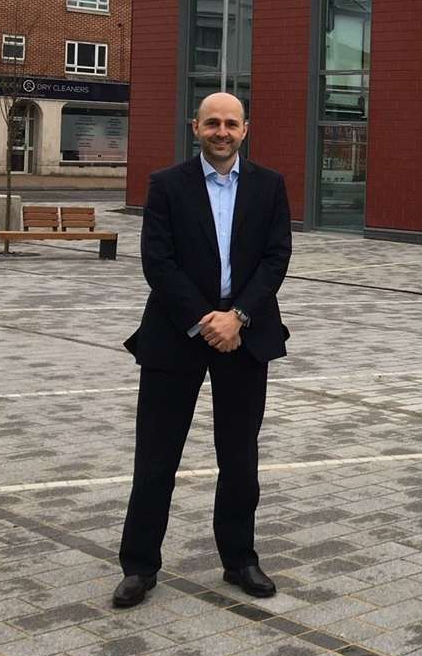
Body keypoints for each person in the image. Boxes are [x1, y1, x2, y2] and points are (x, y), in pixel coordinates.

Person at [112, 92, 292, 609]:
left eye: (230, 123)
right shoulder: (166, 185)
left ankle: (240, 559)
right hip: (175, 334)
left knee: (239, 457)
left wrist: (238, 317)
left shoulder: (270, 185)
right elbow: (157, 261)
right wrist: (204, 318)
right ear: (195, 127)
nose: (221, 131)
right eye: (212, 122)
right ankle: (139, 566)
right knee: (155, 458)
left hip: (245, 334)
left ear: (245, 129)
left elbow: (277, 257)